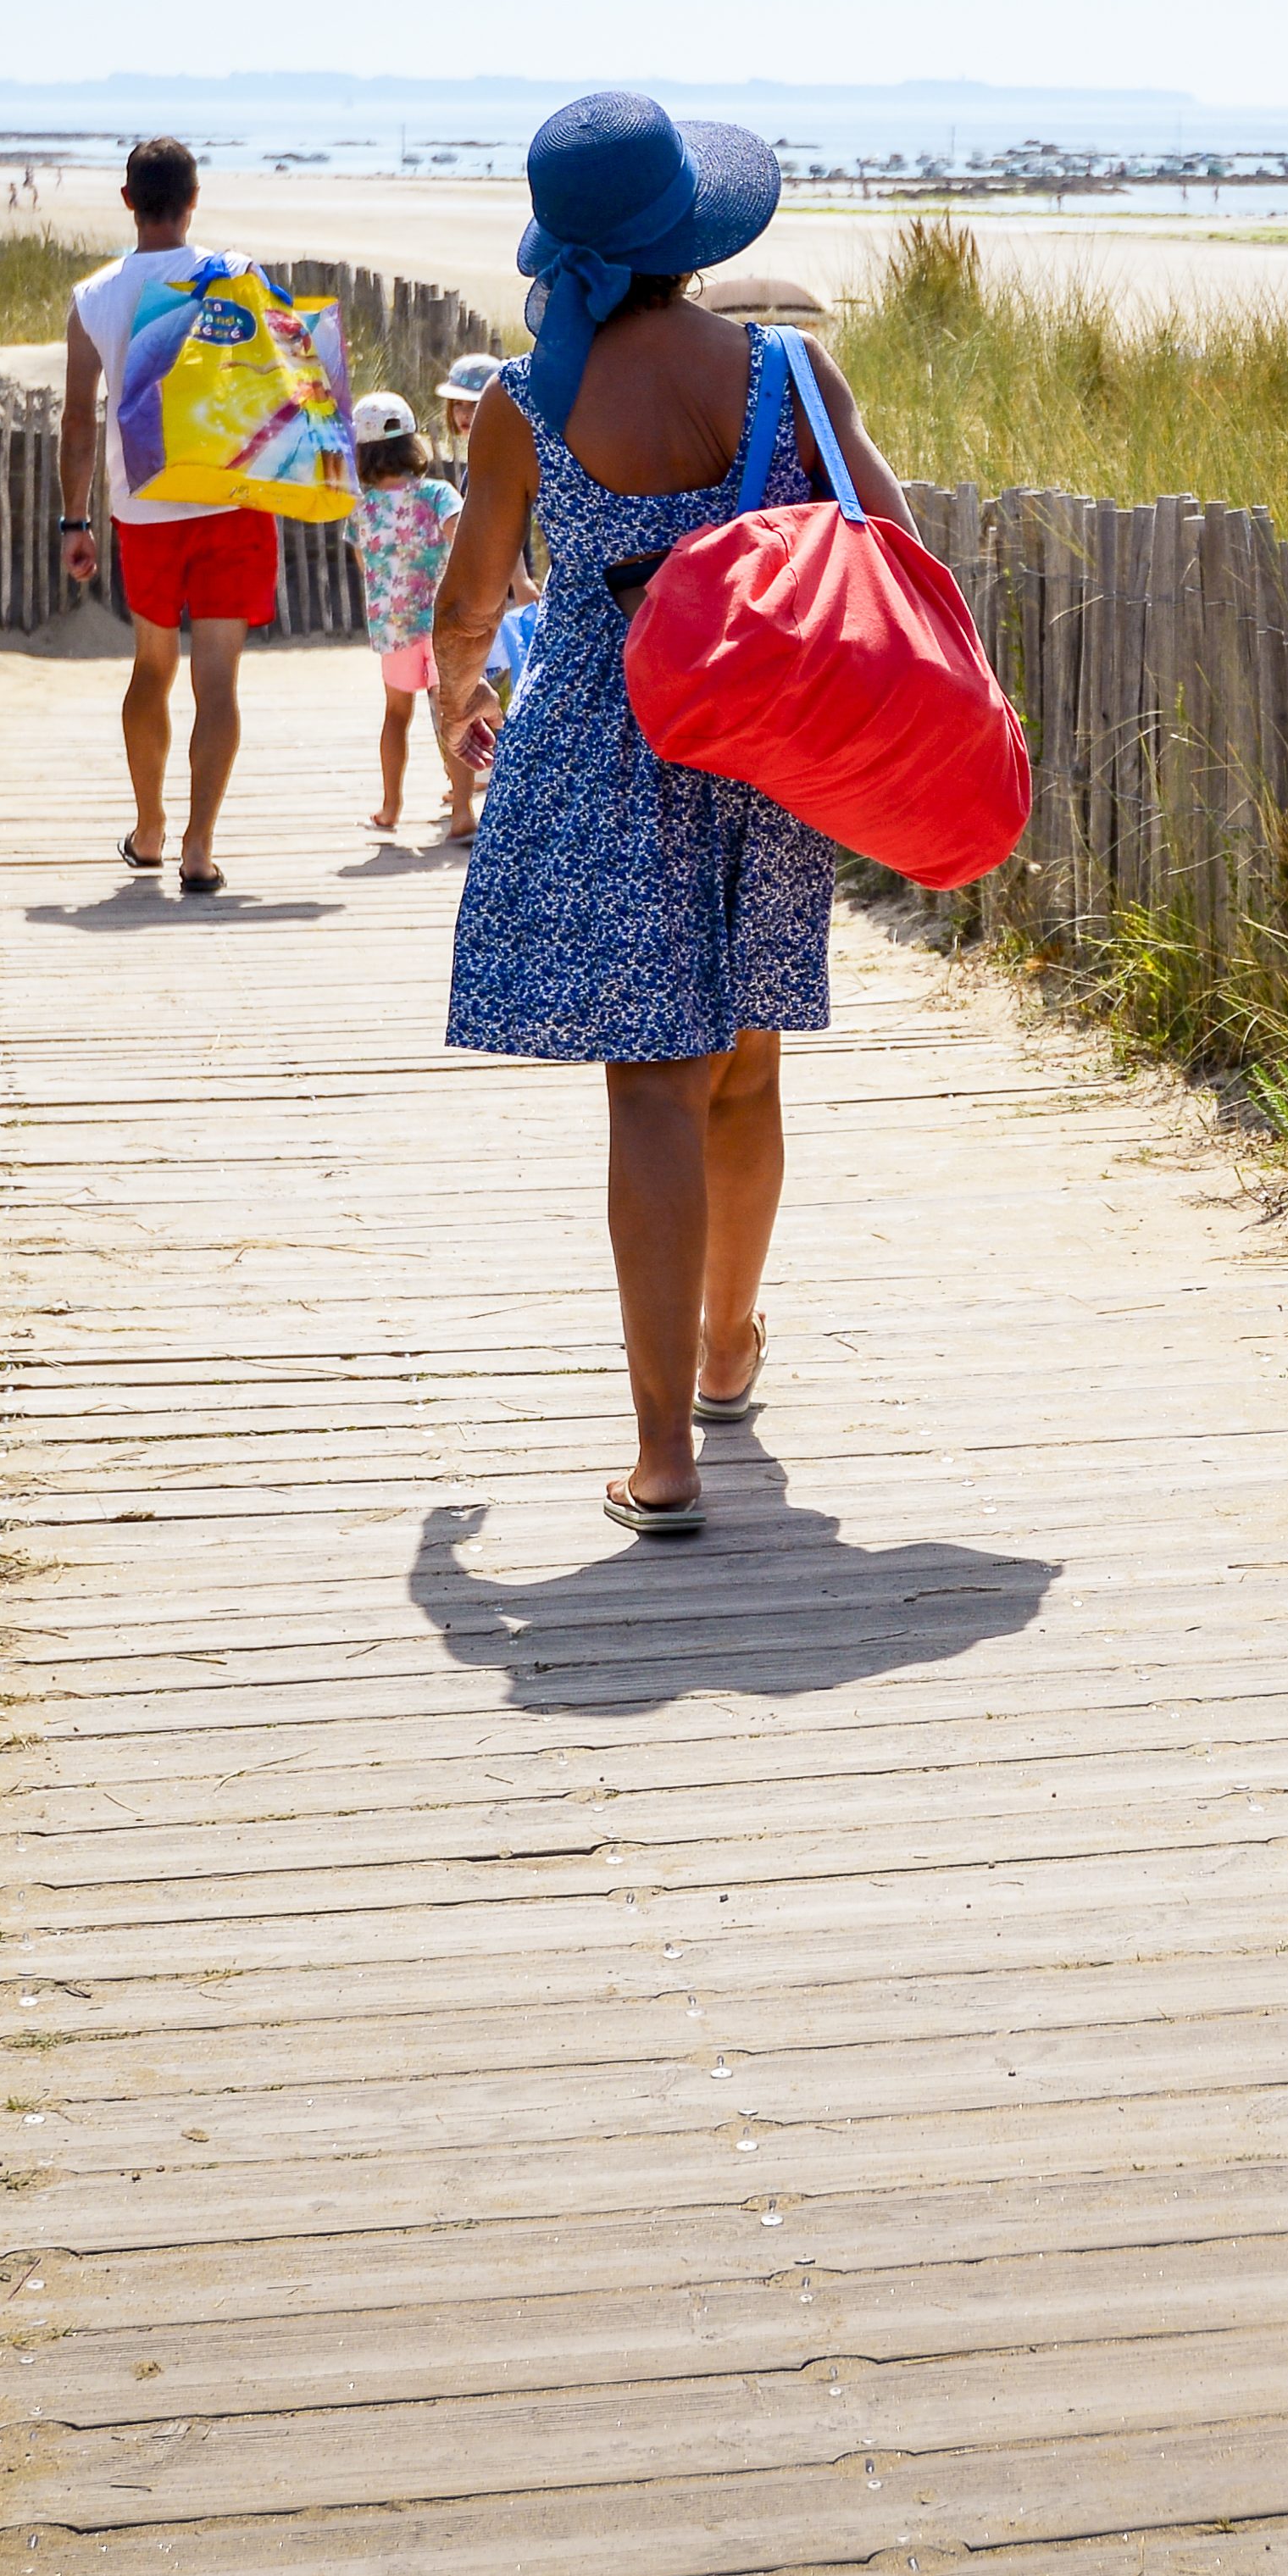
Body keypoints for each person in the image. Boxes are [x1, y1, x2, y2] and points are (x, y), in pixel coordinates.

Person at [434, 93, 904, 1542]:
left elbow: (467, 602)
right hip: (758, 744)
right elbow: (893, 542)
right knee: (744, 1067)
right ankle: (725, 1348)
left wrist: (466, 696)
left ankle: (661, 1457)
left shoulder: (524, 398)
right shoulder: (786, 371)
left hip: (603, 742)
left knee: (648, 1085)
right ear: (686, 234)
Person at [55, 136, 265, 894]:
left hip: (142, 508)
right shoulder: (236, 276)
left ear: (127, 201)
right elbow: (276, 385)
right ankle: (198, 849)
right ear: (194, 198)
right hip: (231, 500)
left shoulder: (95, 298)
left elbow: (79, 422)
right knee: (219, 681)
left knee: (152, 665)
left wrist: (73, 523)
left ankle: (148, 830)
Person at [347, 391, 473, 839]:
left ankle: (390, 808)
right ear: (412, 444)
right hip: (442, 623)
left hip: (393, 627)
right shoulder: (438, 493)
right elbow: (462, 536)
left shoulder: (360, 508)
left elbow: (367, 563)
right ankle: (462, 813)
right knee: (453, 712)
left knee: (396, 715)